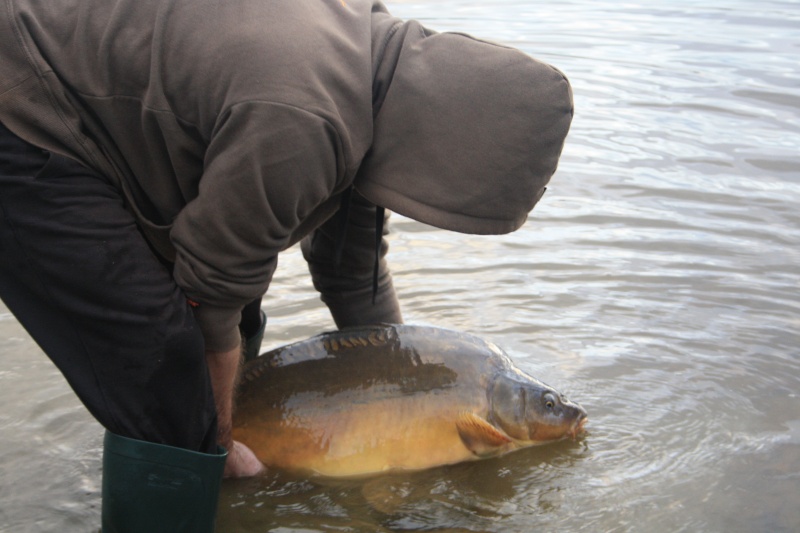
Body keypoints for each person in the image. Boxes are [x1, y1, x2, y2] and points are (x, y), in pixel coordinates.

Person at [0, 0, 573, 531]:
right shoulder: (306, 115)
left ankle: (217, 494)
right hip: (21, 113)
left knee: (232, 329)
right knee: (165, 368)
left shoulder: (387, 81)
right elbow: (210, 295)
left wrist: (404, 391)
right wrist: (216, 441)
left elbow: (352, 275)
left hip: (106, 110)